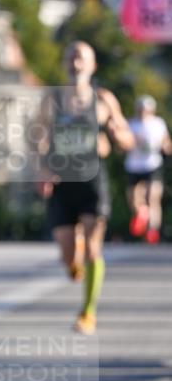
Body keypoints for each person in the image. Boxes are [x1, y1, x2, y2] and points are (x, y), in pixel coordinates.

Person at [38, 41, 133, 335]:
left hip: (92, 181)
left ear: (93, 66)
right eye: (71, 57)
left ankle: (88, 313)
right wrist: (42, 168)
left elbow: (128, 140)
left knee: (93, 249)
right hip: (63, 183)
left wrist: (117, 134)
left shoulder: (103, 99)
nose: (75, 62)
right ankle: (73, 256)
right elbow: (36, 137)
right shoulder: (52, 99)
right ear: (64, 63)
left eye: (81, 58)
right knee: (69, 258)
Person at [125, 95, 171, 244]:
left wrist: (165, 147)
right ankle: (142, 213)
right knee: (133, 198)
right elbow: (123, 143)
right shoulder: (131, 124)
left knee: (153, 197)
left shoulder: (158, 123)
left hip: (152, 165)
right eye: (141, 109)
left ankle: (152, 230)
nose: (143, 112)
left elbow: (166, 142)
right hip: (134, 165)